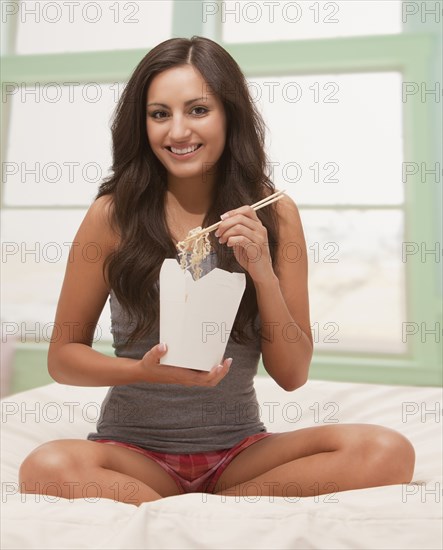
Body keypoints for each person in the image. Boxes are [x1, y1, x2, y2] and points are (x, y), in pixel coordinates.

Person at [19, 36, 415, 505]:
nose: (178, 132)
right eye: (160, 114)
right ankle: (201, 509)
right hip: (134, 452)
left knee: (387, 451)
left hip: (240, 452)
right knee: (47, 465)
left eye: (198, 110)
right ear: (141, 123)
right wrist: (147, 372)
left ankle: (210, 507)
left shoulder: (275, 213)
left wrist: (262, 273)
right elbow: (63, 357)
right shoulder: (112, 215)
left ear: (229, 114)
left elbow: (292, 375)